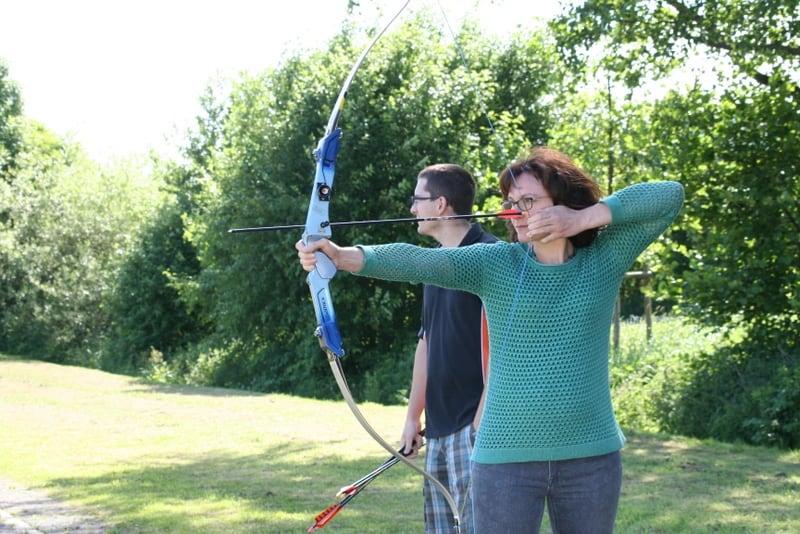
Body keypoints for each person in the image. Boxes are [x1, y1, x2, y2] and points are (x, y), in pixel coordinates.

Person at [296, 146, 684, 533]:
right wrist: (341, 256)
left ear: (562, 200)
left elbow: (669, 196)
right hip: (504, 459)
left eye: (528, 201)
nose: (514, 212)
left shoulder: (604, 258)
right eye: (511, 203)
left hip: (590, 457)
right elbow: (420, 261)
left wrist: (583, 218)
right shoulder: (496, 262)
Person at [402, 163, 498, 534]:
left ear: (440, 204)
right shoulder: (434, 264)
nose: (412, 208)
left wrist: (482, 418)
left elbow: (509, 345)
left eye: (418, 199)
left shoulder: (491, 256)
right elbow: (426, 342)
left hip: (476, 424)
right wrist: (413, 417)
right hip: (438, 428)